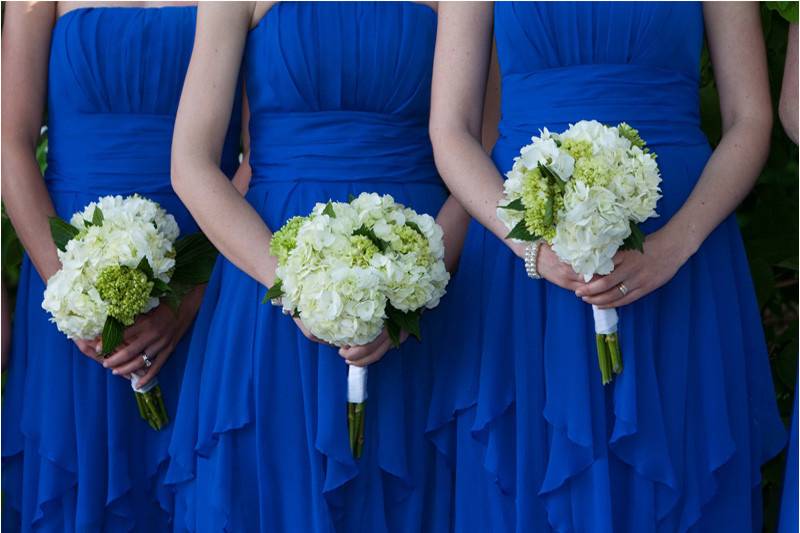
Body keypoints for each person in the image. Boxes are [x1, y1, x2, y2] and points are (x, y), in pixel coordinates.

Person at [427, 2, 786, 531]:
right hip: (525, 252)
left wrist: (674, 245)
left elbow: (749, 118)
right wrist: (531, 248)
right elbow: (452, 131)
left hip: (682, 244)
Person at [167, 2, 468, 531]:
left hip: (420, 284)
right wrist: (295, 288)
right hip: (273, 276)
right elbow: (191, 163)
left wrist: (418, 280)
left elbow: (479, 144)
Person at [1, 2, 243, 530]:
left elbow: (263, 144)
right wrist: (72, 297)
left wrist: (191, 295)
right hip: (64, 261)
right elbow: (10, 142)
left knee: (200, 477)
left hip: (207, 258)